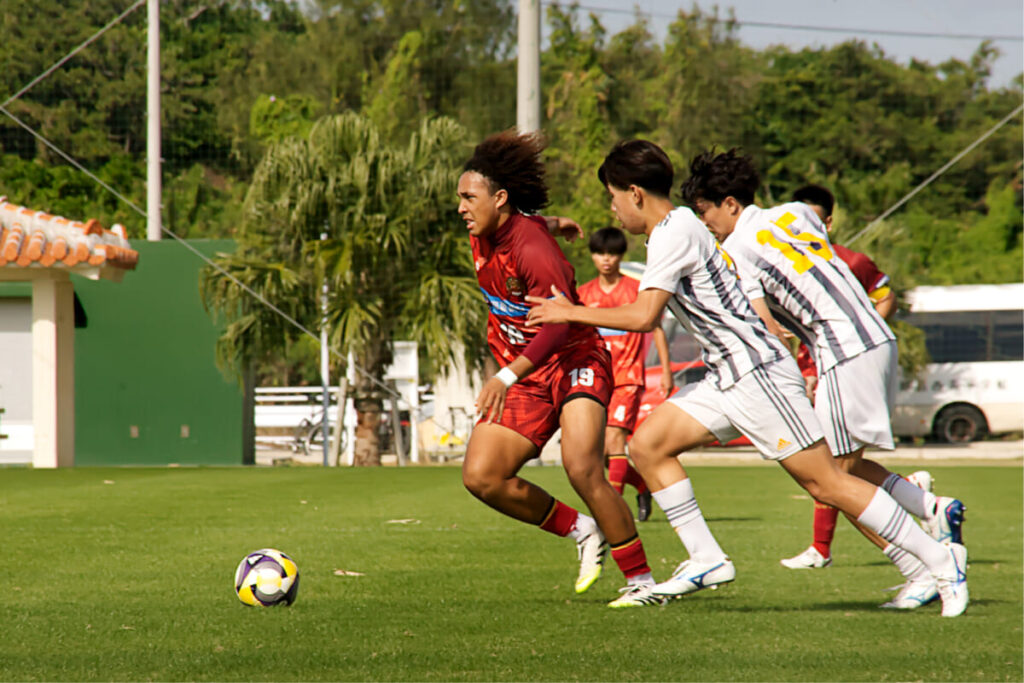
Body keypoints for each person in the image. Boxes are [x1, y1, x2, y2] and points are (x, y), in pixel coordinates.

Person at [525, 139, 968, 616]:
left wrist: (569, 311)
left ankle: (940, 563)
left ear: (634, 192)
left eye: (612, 197)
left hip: (758, 374)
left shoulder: (674, 232)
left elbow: (646, 315)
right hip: (728, 375)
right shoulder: (672, 232)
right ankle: (707, 559)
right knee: (648, 444)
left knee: (827, 483)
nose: (611, 209)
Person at [679, 150, 967, 610]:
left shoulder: (736, 250)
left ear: (730, 204)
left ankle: (932, 565)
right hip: (875, 335)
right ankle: (932, 511)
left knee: (832, 479)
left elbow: (761, 318)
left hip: (841, 348)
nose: (707, 222)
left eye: (706, 211)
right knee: (840, 469)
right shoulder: (794, 212)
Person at [456, 130, 660, 608]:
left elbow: (555, 328)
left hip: (572, 359)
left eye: (469, 197)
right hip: (527, 373)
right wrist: (552, 219)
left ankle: (645, 583)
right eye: (460, 198)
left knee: (582, 466)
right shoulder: (488, 230)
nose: (461, 207)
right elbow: (520, 224)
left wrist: (505, 375)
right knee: (482, 476)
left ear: (498, 198)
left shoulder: (534, 251)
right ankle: (582, 529)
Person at [779, 186, 962, 586]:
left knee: (835, 473)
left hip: (848, 366)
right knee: (840, 469)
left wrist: (860, 340)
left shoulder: (850, 260)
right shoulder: (786, 263)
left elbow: (885, 296)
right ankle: (925, 504)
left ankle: (922, 566)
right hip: (819, 370)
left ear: (826, 222)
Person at [578, 226, 674, 522]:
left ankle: (612, 512)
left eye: (612, 253)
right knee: (604, 454)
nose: (606, 259)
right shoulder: (584, 294)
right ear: (593, 256)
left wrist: (667, 369)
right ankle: (643, 485)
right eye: (600, 253)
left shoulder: (635, 291)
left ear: (620, 257)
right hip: (596, 380)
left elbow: (655, 327)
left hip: (629, 377)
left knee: (616, 439)